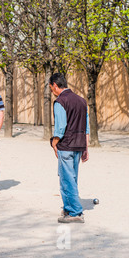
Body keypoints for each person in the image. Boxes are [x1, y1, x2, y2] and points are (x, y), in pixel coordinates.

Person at [49, 73, 89, 223]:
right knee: (72, 177)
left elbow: (60, 126)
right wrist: (86, 147)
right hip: (79, 144)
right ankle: (68, 207)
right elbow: (86, 126)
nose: (52, 91)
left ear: (55, 85)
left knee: (66, 179)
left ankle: (75, 212)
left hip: (66, 144)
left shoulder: (60, 101)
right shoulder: (82, 100)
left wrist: (54, 141)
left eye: (51, 88)